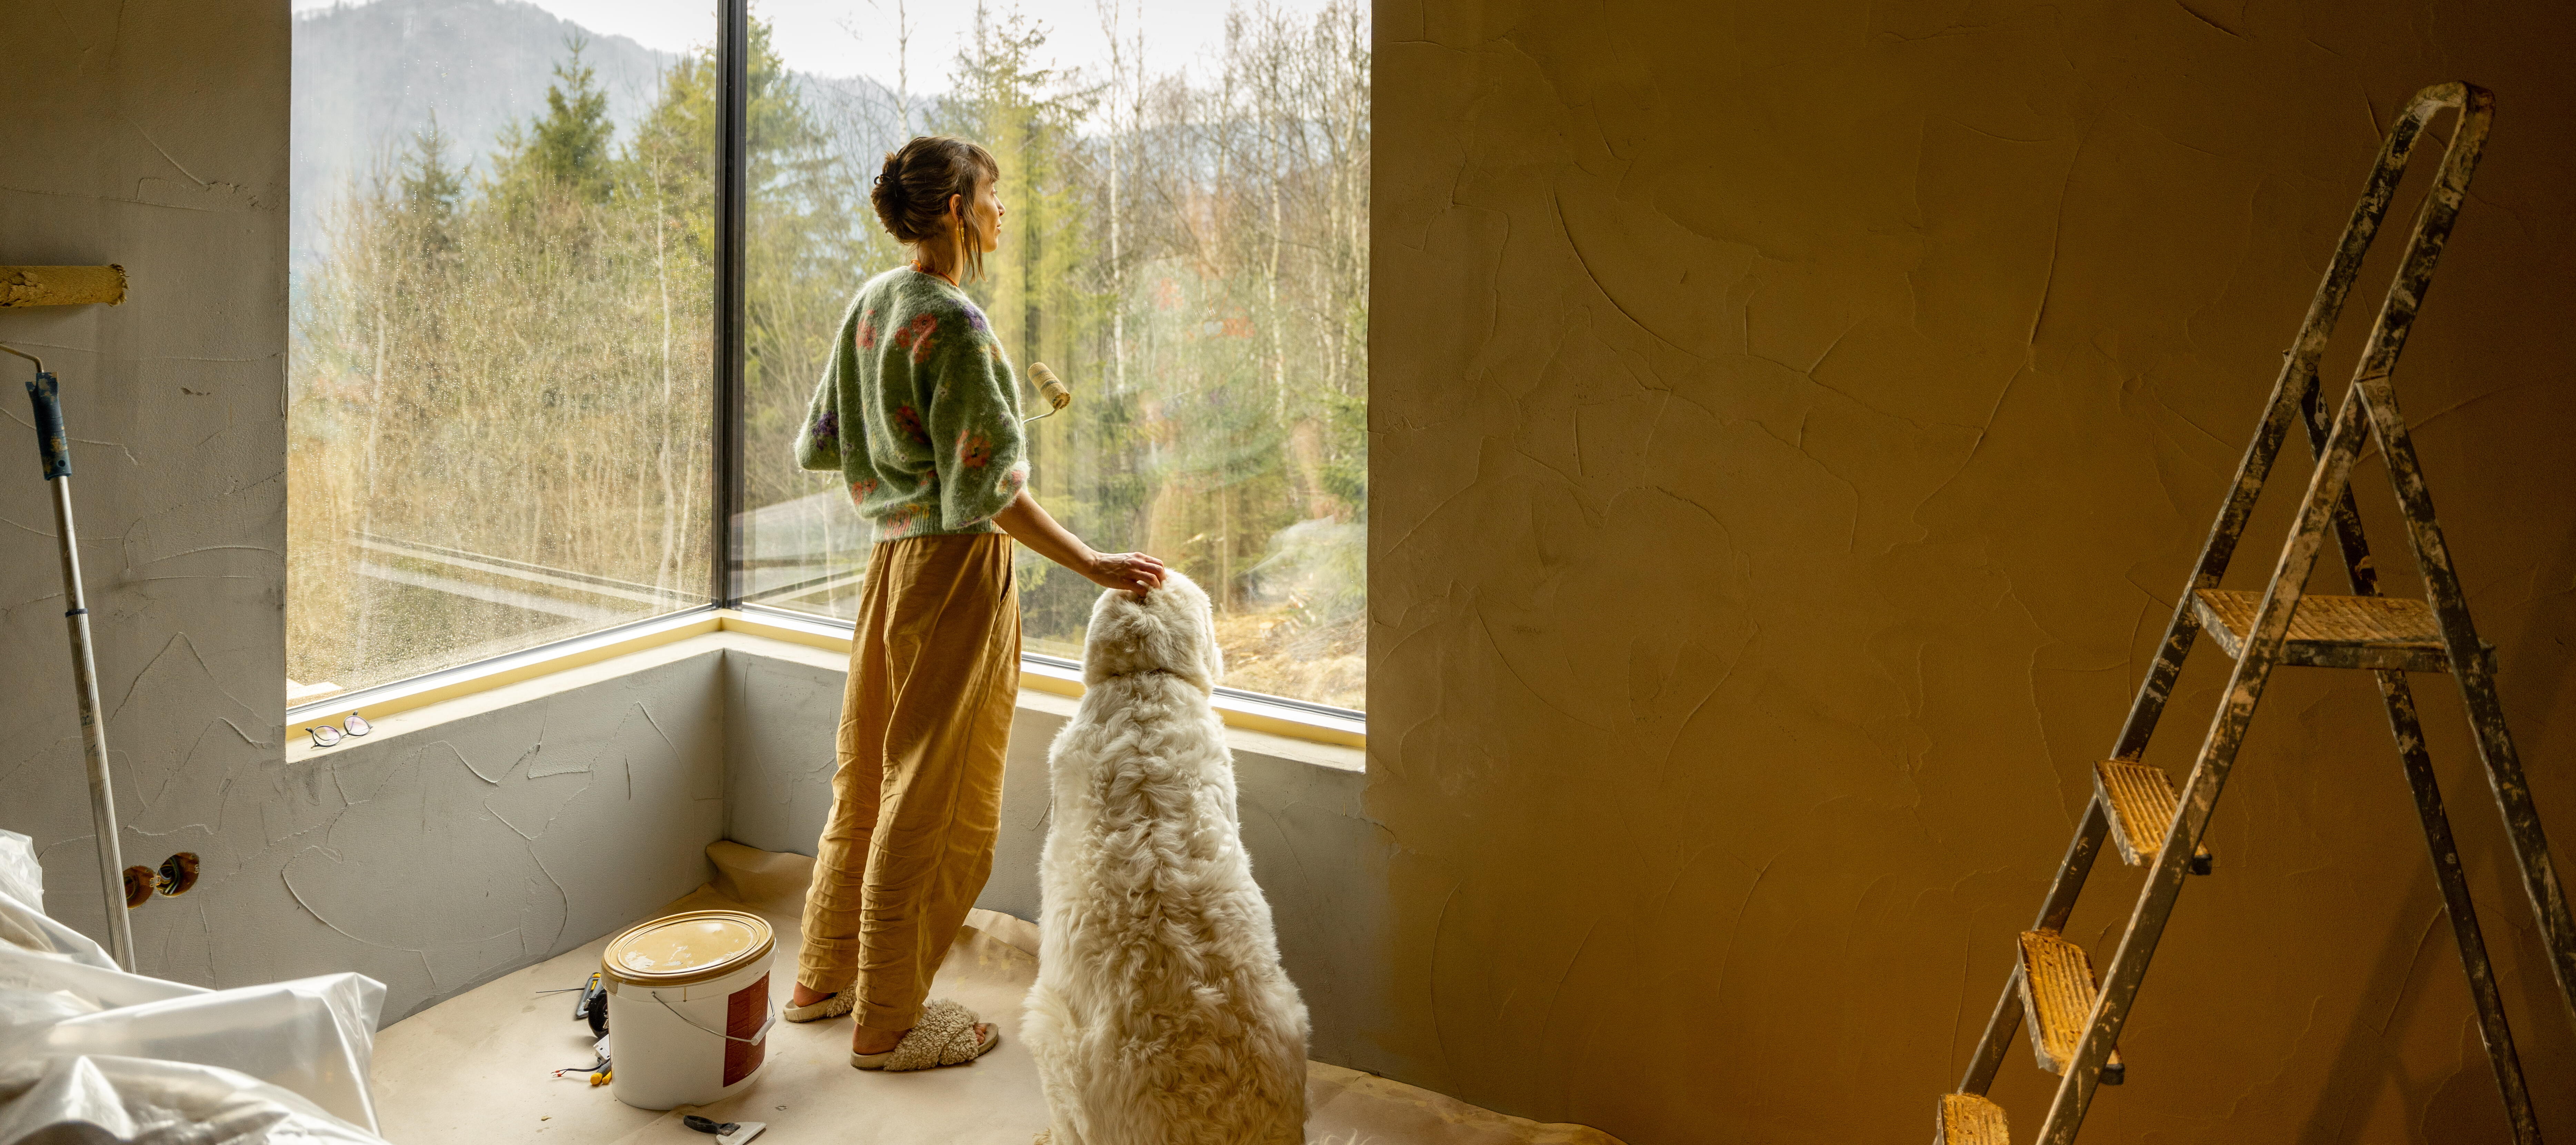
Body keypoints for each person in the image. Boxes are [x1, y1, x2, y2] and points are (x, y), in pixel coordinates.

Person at [786, 134, 1166, 1071]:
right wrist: (1093, 562)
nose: (1002, 211)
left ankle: (822, 979)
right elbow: (991, 489)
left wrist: (909, 475)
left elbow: (826, 443)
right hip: (953, 569)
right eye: (992, 195)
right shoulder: (954, 323)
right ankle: (888, 1020)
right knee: (936, 796)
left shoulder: (873, 304)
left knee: (869, 773)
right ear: (956, 207)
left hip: (889, 565)